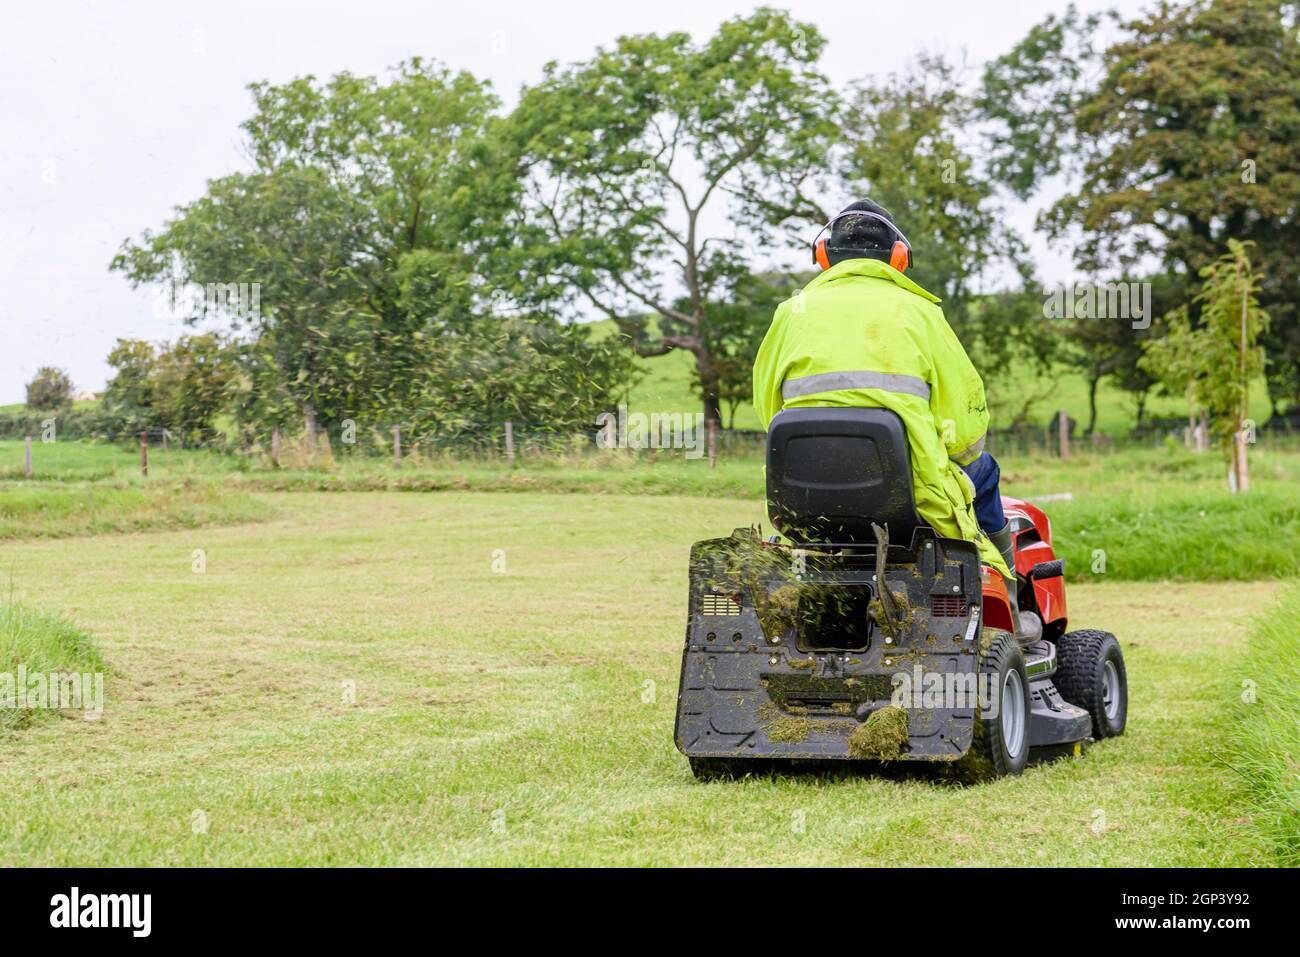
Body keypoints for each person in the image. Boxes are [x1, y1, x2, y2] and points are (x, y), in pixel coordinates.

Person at [752, 199, 1035, 640]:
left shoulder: (791, 314)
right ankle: (1009, 605)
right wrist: (952, 453)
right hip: (910, 496)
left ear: (824, 256)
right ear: (899, 258)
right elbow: (964, 434)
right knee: (986, 470)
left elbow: (767, 412)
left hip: (805, 499)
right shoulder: (922, 313)